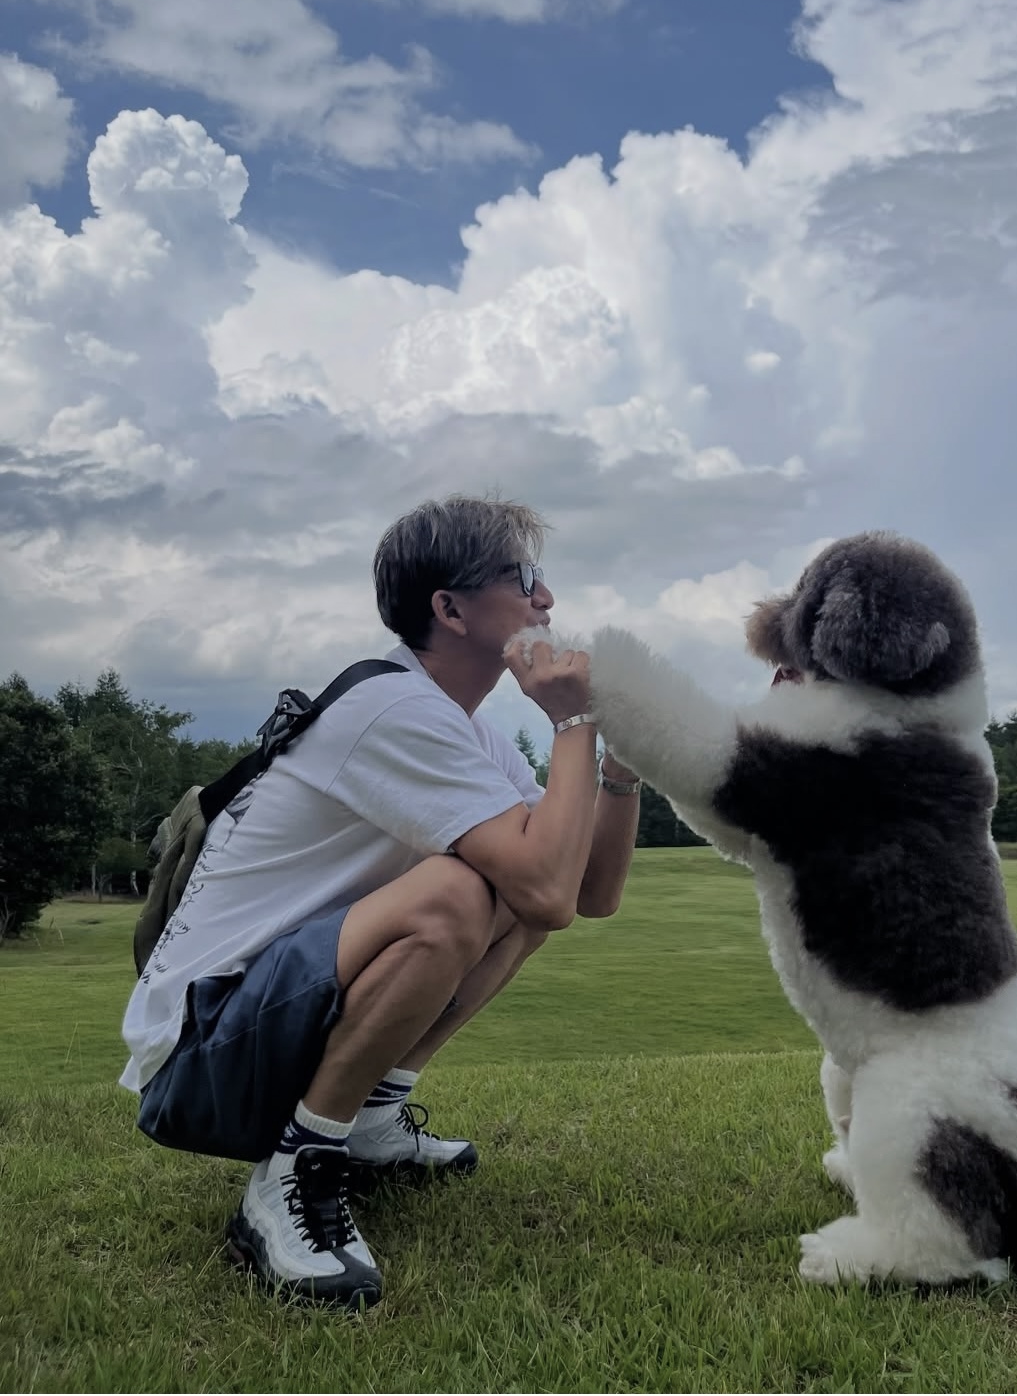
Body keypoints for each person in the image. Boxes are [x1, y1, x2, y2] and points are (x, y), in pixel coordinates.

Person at [119, 496, 642, 1309]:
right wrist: (571, 717)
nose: (547, 600)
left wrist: (617, 764)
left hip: (265, 1018)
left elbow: (584, 893)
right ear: (450, 609)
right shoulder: (394, 709)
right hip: (201, 1053)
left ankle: (366, 1119)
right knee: (459, 892)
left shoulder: (462, 728)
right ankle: (294, 1170)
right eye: (527, 578)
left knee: (503, 890)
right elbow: (546, 883)